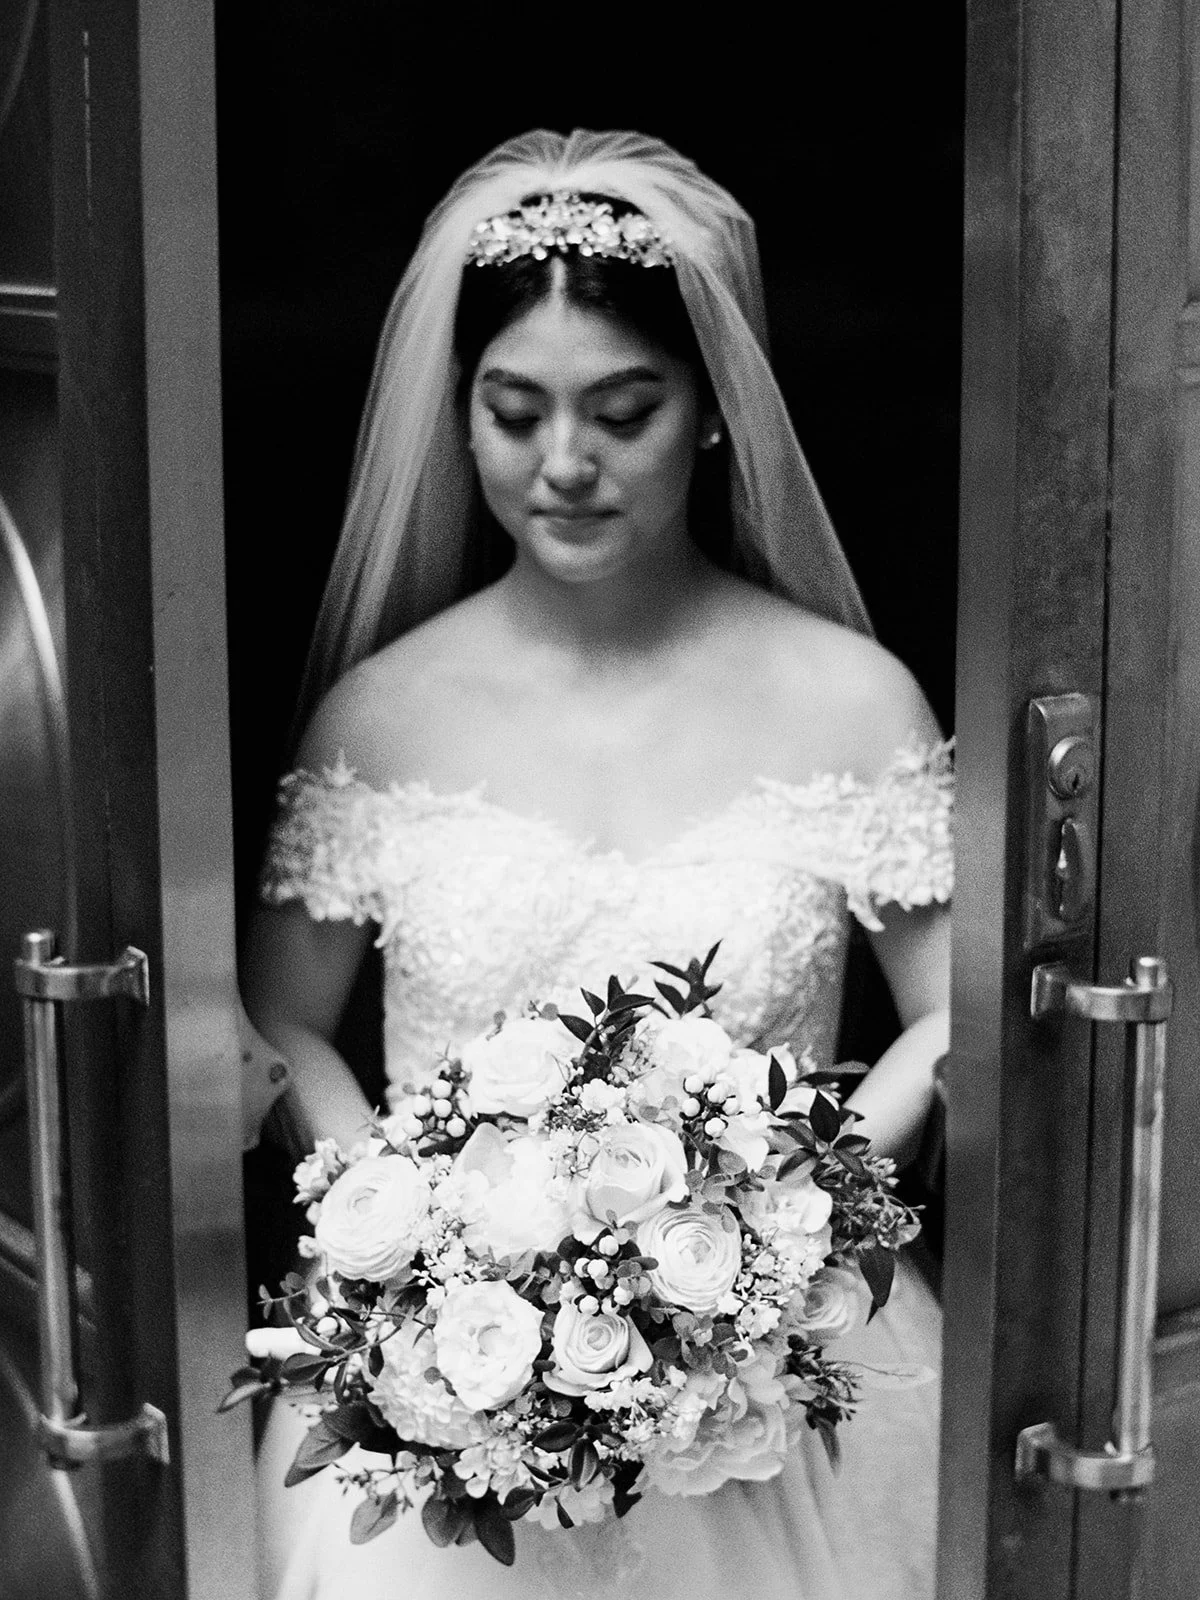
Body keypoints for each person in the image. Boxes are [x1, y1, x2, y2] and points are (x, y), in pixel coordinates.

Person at [243, 129, 951, 1600]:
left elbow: (959, 1015)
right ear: (462, 416)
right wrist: (404, 1236)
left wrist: (783, 1229)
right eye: (515, 413)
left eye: (621, 411)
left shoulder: (851, 699)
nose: (564, 463)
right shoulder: (382, 712)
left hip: (785, 1379)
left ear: (708, 413)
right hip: (444, 1396)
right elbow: (280, 1020)